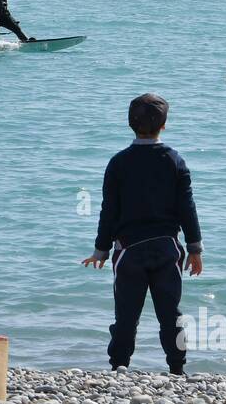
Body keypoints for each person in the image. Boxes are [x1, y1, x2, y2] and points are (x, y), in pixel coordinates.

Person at [82, 94, 203, 374]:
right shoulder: (175, 161)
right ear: (164, 125)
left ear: (129, 124)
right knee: (170, 315)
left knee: (126, 316)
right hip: (167, 250)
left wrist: (101, 249)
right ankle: (177, 368)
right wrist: (195, 248)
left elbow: (109, 210)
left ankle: (119, 366)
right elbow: (187, 207)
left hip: (128, 252)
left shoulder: (118, 163)